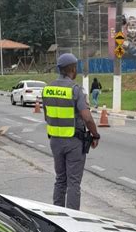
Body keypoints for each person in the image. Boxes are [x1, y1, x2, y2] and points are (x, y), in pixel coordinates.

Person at [43, 53, 101, 210]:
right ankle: (72, 219)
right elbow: (87, 117)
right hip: (73, 141)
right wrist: (95, 135)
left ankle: (58, 214)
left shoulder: (47, 89)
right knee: (73, 182)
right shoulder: (75, 90)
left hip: (55, 141)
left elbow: (46, 115)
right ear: (73, 69)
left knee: (60, 179)